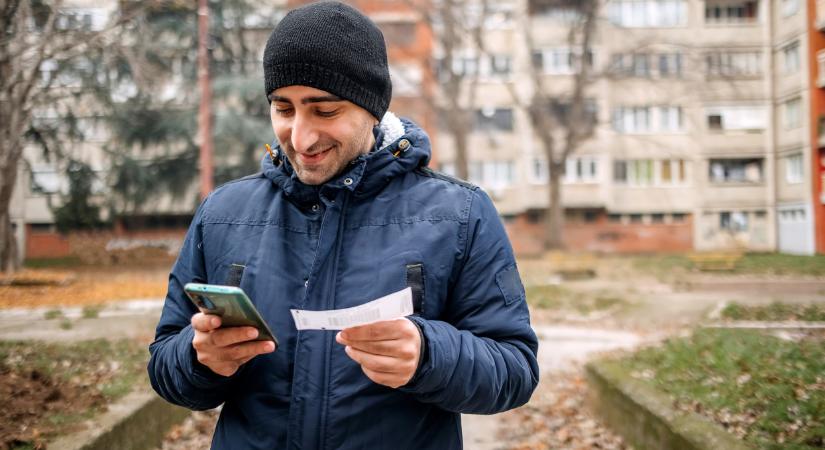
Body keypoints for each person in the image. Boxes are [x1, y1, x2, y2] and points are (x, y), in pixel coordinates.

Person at [147, 2, 539, 449]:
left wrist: (430, 355)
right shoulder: (222, 212)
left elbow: (515, 370)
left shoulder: (461, 214)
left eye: (325, 111)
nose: (301, 137)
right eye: (284, 108)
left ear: (372, 107)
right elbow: (164, 365)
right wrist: (199, 359)